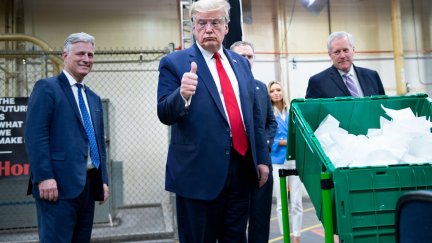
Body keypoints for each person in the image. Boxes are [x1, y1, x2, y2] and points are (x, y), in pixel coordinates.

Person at [157, 0, 271, 241]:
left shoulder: (240, 64)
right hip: (198, 176)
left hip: (241, 171)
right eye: (202, 23)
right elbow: (164, 113)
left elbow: (253, 116)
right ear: (193, 27)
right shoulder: (174, 63)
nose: (208, 29)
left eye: (215, 22)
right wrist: (182, 95)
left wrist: (261, 159)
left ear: (226, 27)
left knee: (236, 237)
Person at [25, 32, 109, 243]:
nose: (86, 59)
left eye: (90, 55)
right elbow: (36, 136)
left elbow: (98, 142)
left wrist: (103, 180)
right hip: (57, 187)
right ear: (65, 55)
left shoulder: (93, 98)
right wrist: (44, 177)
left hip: (88, 186)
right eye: (80, 53)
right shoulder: (47, 88)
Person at [230, 40, 277, 243]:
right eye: (241, 56)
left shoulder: (260, 87)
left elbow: (270, 123)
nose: (246, 60)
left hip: (262, 165)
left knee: (260, 220)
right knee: (235, 223)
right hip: (235, 166)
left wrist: (262, 145)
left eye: (249, 56)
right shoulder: (226, 89)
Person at [268, 81, 302, 243]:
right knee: (281, 202)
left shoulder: (292, 111)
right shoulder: (268, 113)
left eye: (278, 89)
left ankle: (296, 236)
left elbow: (299, 133)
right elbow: (268, 137)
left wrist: (284, 140)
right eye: (272, 90)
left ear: (283, 92)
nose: (276, 93)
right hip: (277, 161)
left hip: (294, 159)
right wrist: (286, 141)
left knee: (296, 201)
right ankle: (285, 236)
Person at [306, 31, 385, 98]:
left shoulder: (372, 76)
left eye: (345, 50)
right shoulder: (318, 82)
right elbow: (310, 113)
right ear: (330, 54)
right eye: (337, 52)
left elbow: (383, 106)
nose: (342, 56)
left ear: (353, 50)